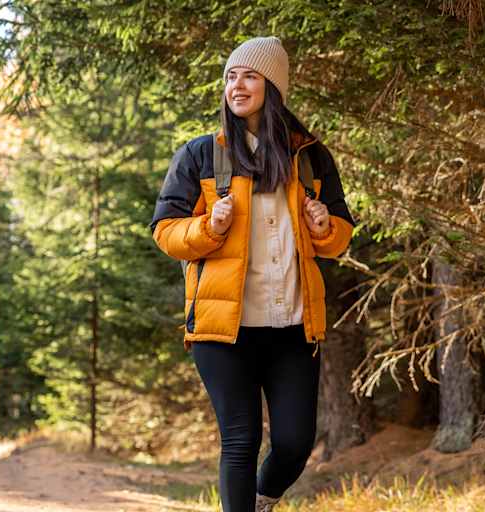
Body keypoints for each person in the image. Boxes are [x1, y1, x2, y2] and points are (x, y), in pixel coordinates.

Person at [148, 36, 355, 512]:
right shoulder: (202, 155)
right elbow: (165, 231)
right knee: (239, 442)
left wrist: (324, 227)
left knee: (294, 442)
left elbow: (340, 237)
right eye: (230, 77)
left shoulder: (310, 159)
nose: (236, 86)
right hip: (223, 331)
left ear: (273, 86)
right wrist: (209, 226)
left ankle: (262, 501)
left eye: (249, 76)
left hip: (292, 327)